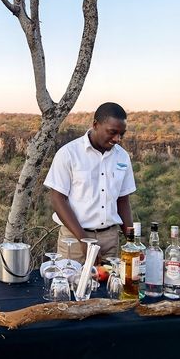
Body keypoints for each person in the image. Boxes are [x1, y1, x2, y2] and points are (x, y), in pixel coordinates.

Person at [43, 102, 136, 264]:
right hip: (74, 239)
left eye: (122, 134)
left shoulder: (122, 157)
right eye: (112, 132)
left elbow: (123, 201)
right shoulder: (68, 154)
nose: (117, 139)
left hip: (110, 240)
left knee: (109, 288)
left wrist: (132, 242)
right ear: (95, 125)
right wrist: (84, 240)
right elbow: (58, 199)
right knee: (70, 287)